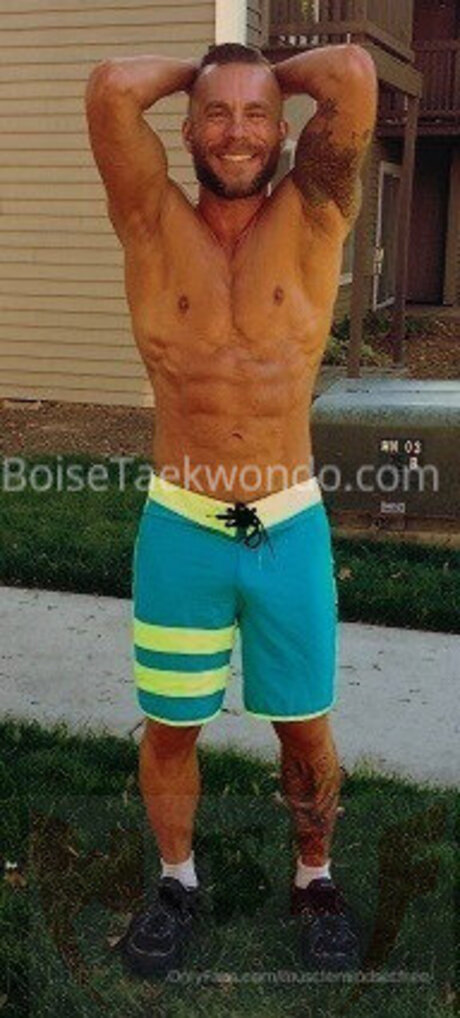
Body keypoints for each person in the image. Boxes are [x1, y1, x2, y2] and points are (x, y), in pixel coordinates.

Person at [85, 40, 377, 977]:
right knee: (171, 726)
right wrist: (212, 70)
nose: (238, 132)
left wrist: (251, 76)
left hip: (285, 524)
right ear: (186, 131)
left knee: (306, 725)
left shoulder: (318, 209)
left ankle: (315, 878)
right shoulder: (148, 219)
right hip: (183, 528)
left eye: (257, 116)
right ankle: (177, 881)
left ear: (284, 128)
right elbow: (110, 88)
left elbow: (353, 74)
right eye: (216, 115)